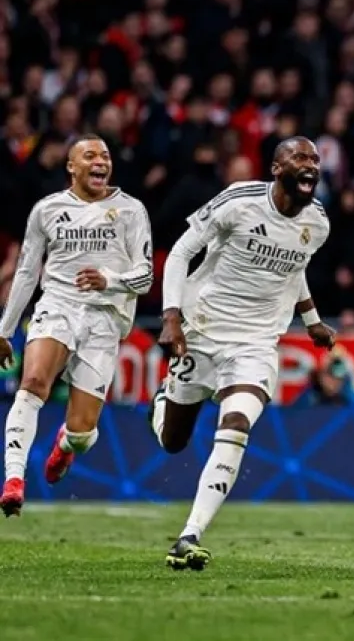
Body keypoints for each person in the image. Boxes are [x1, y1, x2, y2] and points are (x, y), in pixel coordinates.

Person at [149, 137, 335, 570]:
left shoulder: (318, 222)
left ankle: (190, 534)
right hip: (202, 328)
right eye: (300, 157)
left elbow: (295, 267)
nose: (311, 164)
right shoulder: (239, 201)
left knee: (236, 424)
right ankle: (162, 401)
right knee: (172, 441)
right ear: (277, 168)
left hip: (256, 342)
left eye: (315, 159)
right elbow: (181, 252)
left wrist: (311, 321)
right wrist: (171, 316)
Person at [0, 136, 152, 516]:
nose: (100, 161)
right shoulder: (47, 210)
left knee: (83, 433)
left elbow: (146, 275)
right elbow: (26, 272)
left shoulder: (131, 210)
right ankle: (14, 479)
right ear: (71, 167)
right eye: (90, 155)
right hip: (57, 305)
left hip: (105, 317)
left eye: (105, 156)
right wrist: (4, 330)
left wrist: (110, 280)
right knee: (33, 382)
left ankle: (66, 446)